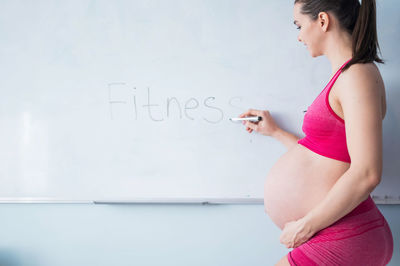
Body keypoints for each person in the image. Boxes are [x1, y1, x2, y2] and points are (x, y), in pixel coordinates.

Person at [239, 0, 394, 265]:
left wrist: (305, 226)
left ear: (322, 21)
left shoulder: (357, 76)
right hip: (336, 233)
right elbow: (326, 155)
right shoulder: (348, 75)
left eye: (299, 25)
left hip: (345, 235)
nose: (299, 36)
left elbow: (367, 173)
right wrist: (276, 132)